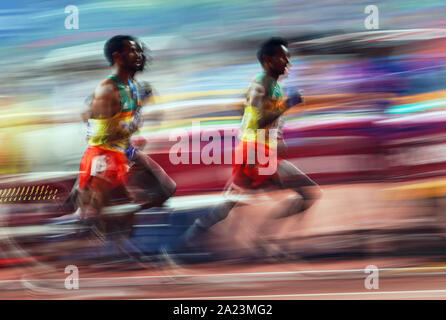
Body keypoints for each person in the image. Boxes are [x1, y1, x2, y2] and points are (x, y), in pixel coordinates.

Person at [171, 37, 321, 257]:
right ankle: (263, 240)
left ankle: (180, 247)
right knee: (306, 193)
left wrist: (274, 135)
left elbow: (247, 113)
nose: (288, 61)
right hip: (253, 153)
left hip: (257, 151)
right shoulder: (261, 84)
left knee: (229, 206)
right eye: (283, 57)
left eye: (289, 56)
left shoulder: (272, 85)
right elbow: (258, 119)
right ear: (268, 60)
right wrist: (288, 105)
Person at [74, 35, 176, 231]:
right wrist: (127, 128)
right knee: (98, 214)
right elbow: (93, 127)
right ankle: (96, 217)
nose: (139, 55)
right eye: (133, 51)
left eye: (139, 50)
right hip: (106, 154)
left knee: (165, 191)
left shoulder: (135, 87)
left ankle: (122, 216)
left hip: (125, 151)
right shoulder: (107, 90)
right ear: (117, 57)